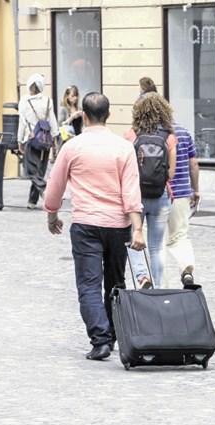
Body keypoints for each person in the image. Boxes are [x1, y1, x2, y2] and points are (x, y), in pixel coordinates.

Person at [43, 92, 145, 361]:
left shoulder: (72, 147)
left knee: (88, 285)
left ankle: (99, 340)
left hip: (86, 224)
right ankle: (112, 334)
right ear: (109, 115)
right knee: (115, 282)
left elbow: (54, 188)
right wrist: (137, 228)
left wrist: (52, 216)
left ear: (84, 116)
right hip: (118, 225)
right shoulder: (123, 147)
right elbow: (131, 191)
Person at [124, 92, 178, 289]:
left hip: (136, 197)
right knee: (156, 246)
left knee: (133, 240)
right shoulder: (169, 137)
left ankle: (141, 277)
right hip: (160, 194)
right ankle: (157, 286)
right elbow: (171, 173)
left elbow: (126, 169)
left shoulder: (131, 135)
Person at [17, 73, 60, 209]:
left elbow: (22, 123)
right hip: (45, 140)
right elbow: (52, 120)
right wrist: (55, 139)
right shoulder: (47, 100)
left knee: (32, 171)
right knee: (40, 171)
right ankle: (32, 201)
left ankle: (45, 191)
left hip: (32, 139)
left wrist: (20, 140)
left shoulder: (25, 101)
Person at [167, 119, 200, 287]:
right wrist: (195, 189)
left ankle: (157, 283)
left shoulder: (146, 130)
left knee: (155, 242)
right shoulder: (182, 130)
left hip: (156, 194)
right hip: (180, 194)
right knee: (180, 236)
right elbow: (193, 163)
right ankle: (186, 270)